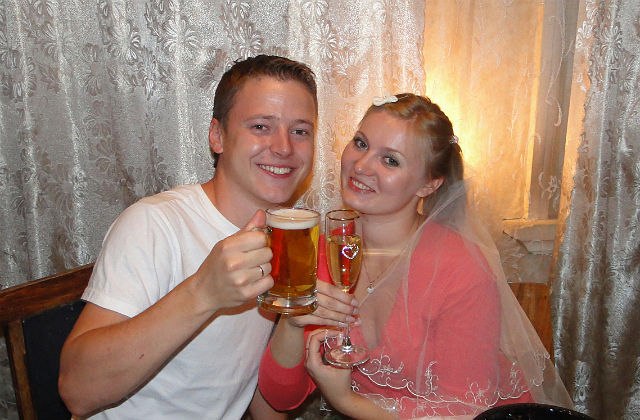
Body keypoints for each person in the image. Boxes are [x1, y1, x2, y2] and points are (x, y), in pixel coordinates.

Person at [58, 54, 355, 419]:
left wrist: (293, 328)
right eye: (261, 126)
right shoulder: (155, 223)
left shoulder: (288, 241)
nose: (283, 147)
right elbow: (77, 390)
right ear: (218, 136)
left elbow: (263, 406)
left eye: (300, 131)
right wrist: (203, 292)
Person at [258, 93, 573, 418]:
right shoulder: (329, 250)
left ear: (428, 185)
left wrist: (347, 401)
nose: (361, 165)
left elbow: (465, 411)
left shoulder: (462, 268)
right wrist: (293, 322)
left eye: (390, 160)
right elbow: (281, 397)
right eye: (361, 143)